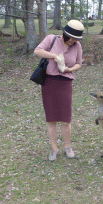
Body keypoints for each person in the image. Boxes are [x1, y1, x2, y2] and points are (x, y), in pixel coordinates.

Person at [34, 20, 84, 161]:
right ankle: (53, 148)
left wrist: (69, 69)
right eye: (72, 38)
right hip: (49, 83)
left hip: (65, 83)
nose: (74, 41)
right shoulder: (51, 39)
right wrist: (54, 56)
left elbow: (79, 64)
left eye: (77, 39)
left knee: (65, 119)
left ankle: (67, 146)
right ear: (65, 34)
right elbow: (37, 51)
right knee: (51, 119)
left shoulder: (77, 46)